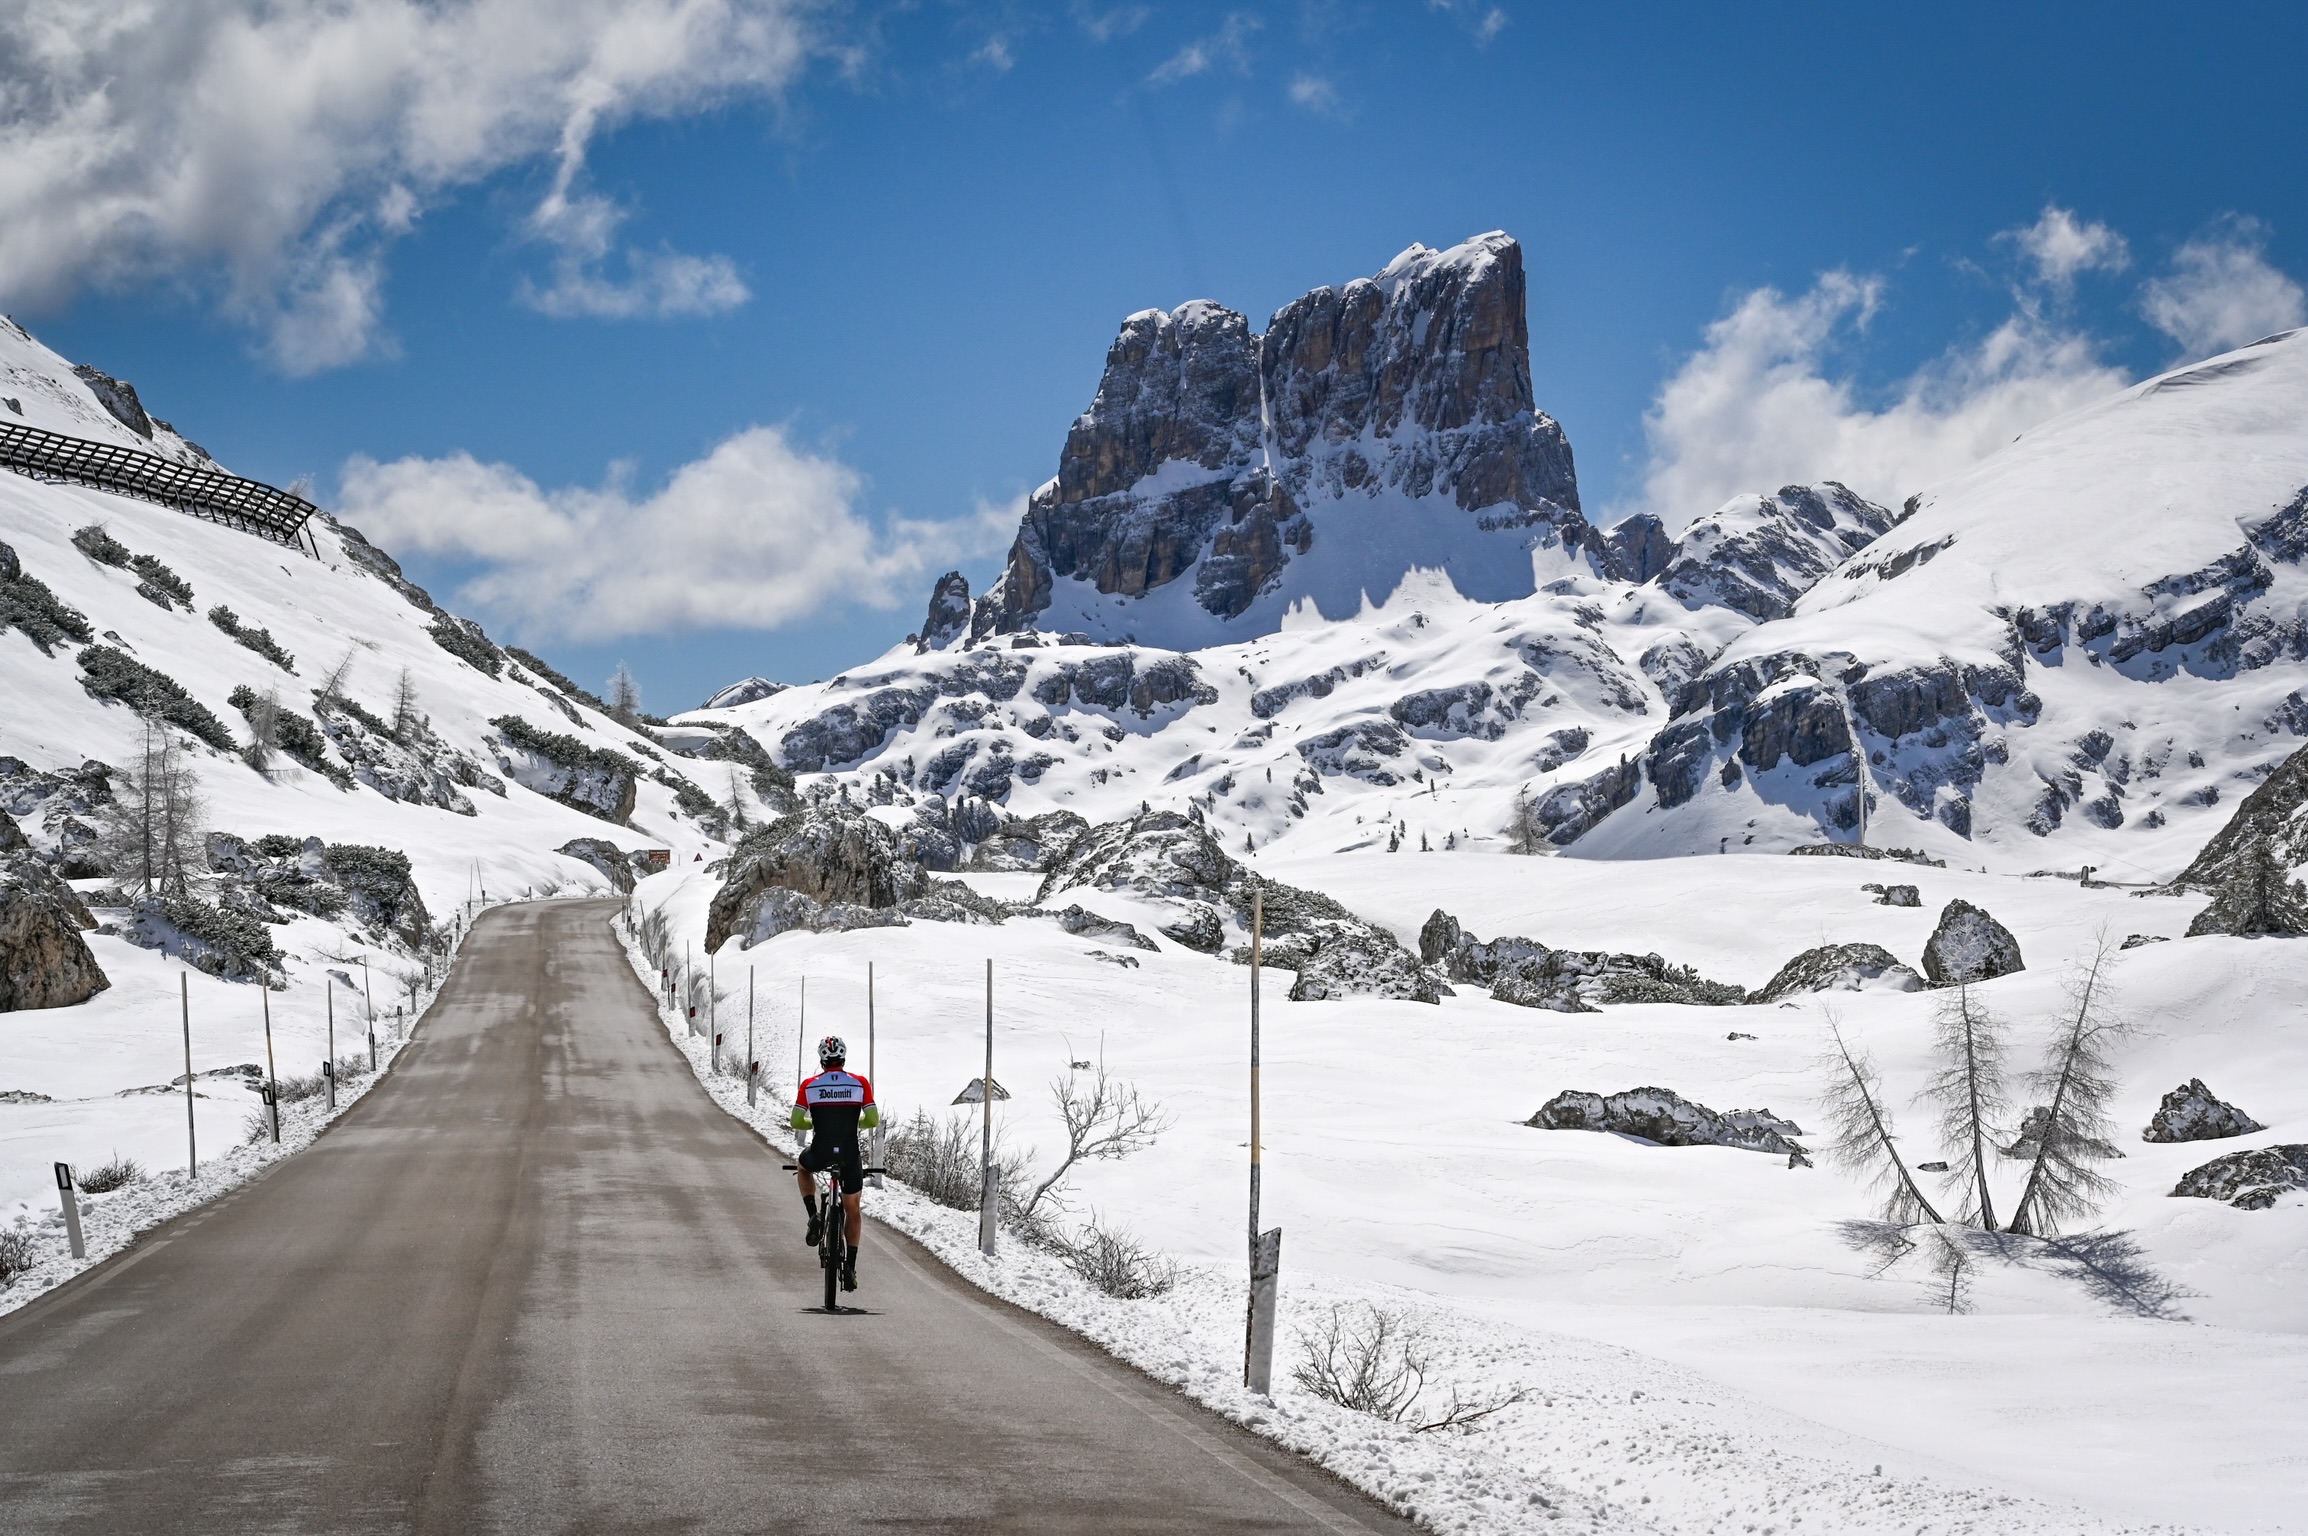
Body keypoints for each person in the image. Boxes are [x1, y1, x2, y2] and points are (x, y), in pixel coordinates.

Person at [793, 1034, 877, 1290]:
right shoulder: (860, 1083)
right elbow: (872, 1120)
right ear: (843, 1058)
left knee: (803, 1168)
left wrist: (814, 1123)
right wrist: (854, 1124)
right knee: (853, 1210)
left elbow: (796, 1122)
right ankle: (850, 1267)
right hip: (849, 1154)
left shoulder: (809, 1085)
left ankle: (813, 1216)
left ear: (822, 1060)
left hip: (821, 1150)